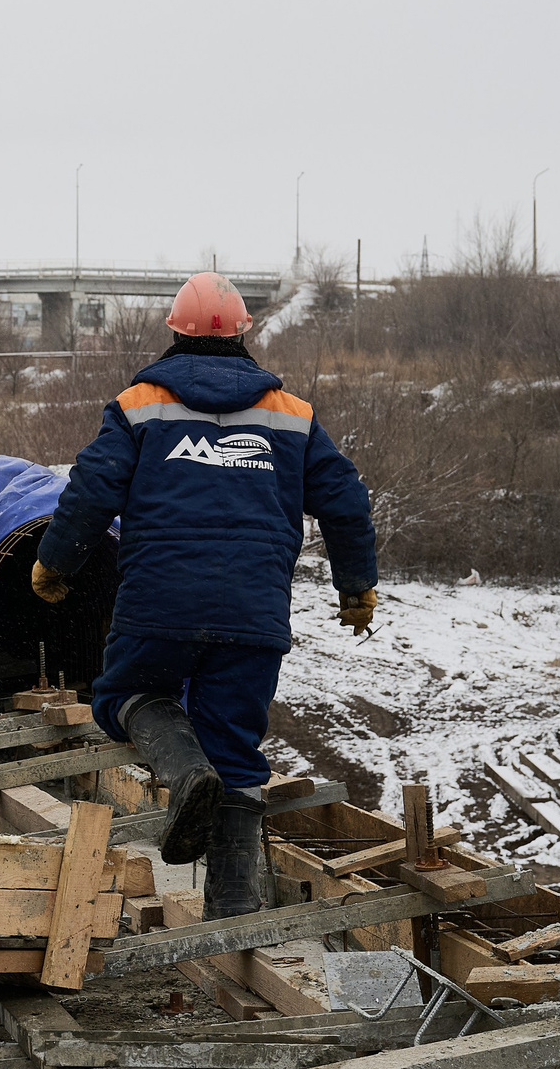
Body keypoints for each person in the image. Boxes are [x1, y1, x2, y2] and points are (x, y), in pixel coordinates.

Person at [30, 271, 376, 918]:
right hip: (254, 617)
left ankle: (187, 774)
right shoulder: (292, 416)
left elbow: (89, 492)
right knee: (237, 752)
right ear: (245, 334)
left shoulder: (141, 405)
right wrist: (356, 587)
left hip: (159, 606)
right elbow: (346, 501)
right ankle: (235, 911)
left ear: (175, 334)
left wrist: (55, 564)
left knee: (124, 696)